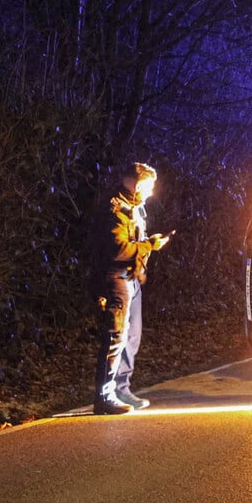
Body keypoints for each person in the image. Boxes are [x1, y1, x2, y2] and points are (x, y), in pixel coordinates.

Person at [91, 162, 171, 414]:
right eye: (148, 187)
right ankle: (105, 396)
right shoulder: (114, 209)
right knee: (116, 337)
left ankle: (121, 389)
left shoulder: (134, 207)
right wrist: (149, 246)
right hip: (117, 280)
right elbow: (118, 249)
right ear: (137, 185)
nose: (151, 192)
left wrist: (143, 261)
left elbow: (135, 240)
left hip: (131, 279)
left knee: (131, 337)